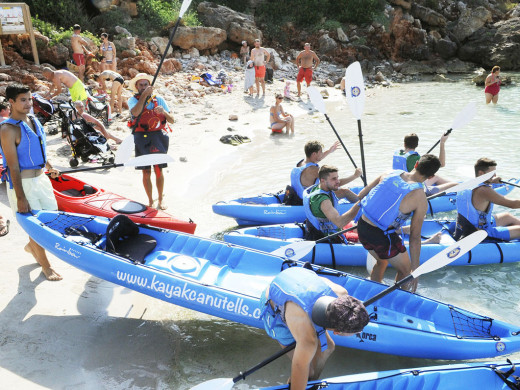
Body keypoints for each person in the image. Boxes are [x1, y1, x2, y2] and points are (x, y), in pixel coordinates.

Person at [260, 266, 369, 390]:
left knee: (328, 347)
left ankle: (312, 384)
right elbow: (299, 367)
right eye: (358, 331)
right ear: (337, 332)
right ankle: (308, 380)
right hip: (274, 309)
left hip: (295, 277)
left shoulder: (341, 293)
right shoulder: (307, 339)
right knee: (307, 372)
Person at [0, 83, 62, 280]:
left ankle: (31, 246)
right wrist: (20, 198)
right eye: (23, 100)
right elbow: (13, 167)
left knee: (50, 221)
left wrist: (49, 166)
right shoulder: (8, 129)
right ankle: (46, 266)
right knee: (36, 227)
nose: (28, 104)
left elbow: (39, 146)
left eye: (29, 99)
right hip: (23, 184)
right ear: (11, 102)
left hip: (41, 179)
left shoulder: (34, 120)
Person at [356, 154, 442, 292]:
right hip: (381, 236)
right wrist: (415, 269)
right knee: (405, 271)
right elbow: (415, 237)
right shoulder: (420, 197)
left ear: (416, 164)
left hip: (362, 226)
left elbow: (361, 195)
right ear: (431, 176)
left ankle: (374, 286)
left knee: (382, 260)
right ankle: (399, 298)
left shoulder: (389, 173)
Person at [128, 73, 174, 210]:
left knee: (159, 170)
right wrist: (144, 96)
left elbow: (172, 119)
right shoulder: (133, 100)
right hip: (141, 137)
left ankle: (160, 199)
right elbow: (135, 113)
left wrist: (164, 112)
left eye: (145, 85)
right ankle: (150, 201)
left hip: (158, 136)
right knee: (146, 171)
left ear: (150, 86)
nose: (143, 87)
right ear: (137, 87)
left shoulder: (159, 99)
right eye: (140, 85)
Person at [455, 158, 520, 241]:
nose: (495, 175)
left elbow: (481, 190)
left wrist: (491, 181)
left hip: (463, 227)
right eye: (492, 173)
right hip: (477, 233)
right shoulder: (485, 191)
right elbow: (513, 204)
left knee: (506, 216)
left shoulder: (469, 184)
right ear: (481, 173)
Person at [289, 140, 360, 204]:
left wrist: (329, 151)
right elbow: (336, 183)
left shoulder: (301, 163)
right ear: (314, 154)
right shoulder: (314, 170)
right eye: (321, 152)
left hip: (298, 197)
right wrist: (355, 176)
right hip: (310, 201)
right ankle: (363, 205)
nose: (322, 154)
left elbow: (316, 159)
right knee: (345, 191)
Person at [303, 165, 361, 242]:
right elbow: (340, 223)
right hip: (329, 235)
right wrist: (360, 204)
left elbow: (340, 187)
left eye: (337, 177)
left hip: (332, 227)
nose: (338, 181)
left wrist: (355, 176)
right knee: (368, 237)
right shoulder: (323, 201)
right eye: (334, 179)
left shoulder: (320, 187)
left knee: (362, 226)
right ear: (323, 180)